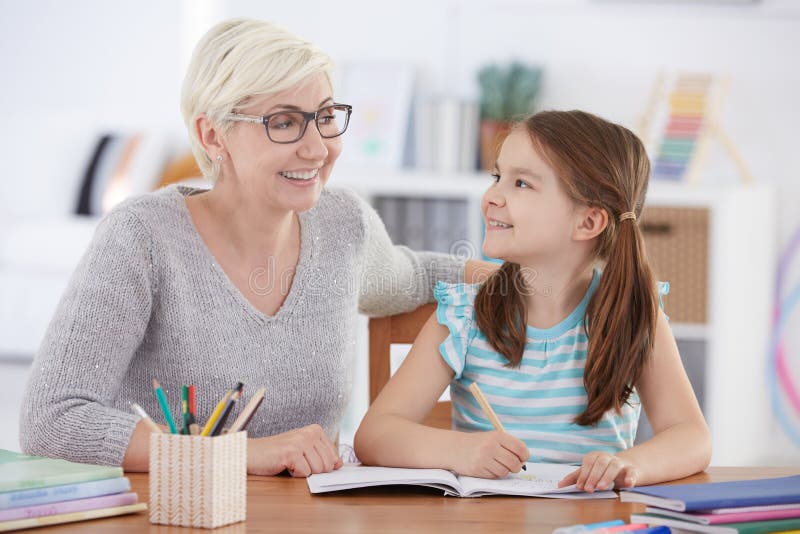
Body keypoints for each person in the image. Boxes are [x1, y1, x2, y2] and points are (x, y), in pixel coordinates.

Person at [19, 18, 490, 477]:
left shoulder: (342, 223)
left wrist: (532, 275)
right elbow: (51, 421)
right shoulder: (141, 237)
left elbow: (412, 276)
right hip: (178, 516)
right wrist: (238, 454)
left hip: (308, 517)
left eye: (325, 117)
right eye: (284, 123)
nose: (317, 148)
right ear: (212, 135)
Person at [354, 110, 712, 491]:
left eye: (521, 183)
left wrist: (628, 465)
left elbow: (691, 436)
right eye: (497, 177)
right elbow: (375, 435)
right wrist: (459, 450)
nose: (492, 196)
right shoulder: (462, 316)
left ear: (588, 223)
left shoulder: (635, 316)